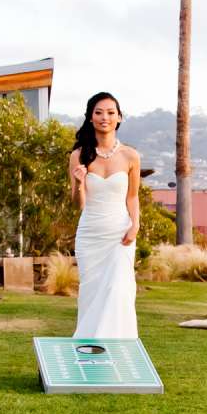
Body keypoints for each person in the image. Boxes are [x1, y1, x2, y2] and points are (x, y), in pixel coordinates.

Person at [68, 90, 140, 340]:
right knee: (92, 293)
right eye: (98, 112)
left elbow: (132, 197)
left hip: (120, 234)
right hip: (90, 235)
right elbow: (79, 203)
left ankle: (120, 349)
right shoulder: (78, 155)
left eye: (110, 112)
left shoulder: (130, 156)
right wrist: (79, 183)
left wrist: (135, 226)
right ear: (90, 118)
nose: (104, 117)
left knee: (119, 290)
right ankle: (88, 349)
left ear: (119, 117)